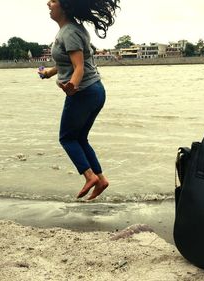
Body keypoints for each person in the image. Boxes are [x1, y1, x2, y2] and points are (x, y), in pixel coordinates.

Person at [39, 0, 120, 200]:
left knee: (66, 138)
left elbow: (79, 67)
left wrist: (72, 86)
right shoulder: (73, 29)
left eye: (54, 1)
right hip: (94, 91)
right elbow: (68, 62)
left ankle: (89, 176)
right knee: (80, 138)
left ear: (65, 6)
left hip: (83, 92)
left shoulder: (69, 32)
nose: (48, 3)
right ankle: (101, 180)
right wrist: (49, 72)